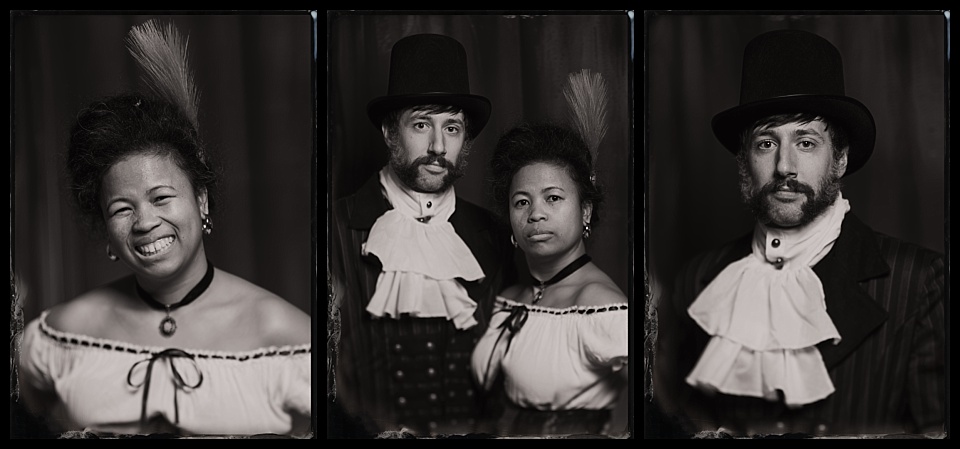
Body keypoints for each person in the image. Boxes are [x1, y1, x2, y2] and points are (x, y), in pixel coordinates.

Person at [16, 21, 311, 436]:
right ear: (105, 229)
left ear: (201, 200)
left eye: (161, 197)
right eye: (121, 208)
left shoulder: (290, 339)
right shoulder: (57, 338)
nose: (145, 223)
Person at [653, 29, 945, 436]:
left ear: (840, 159)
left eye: (806, 142)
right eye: (766, 143)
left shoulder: (918, 281)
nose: (784, 167)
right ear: (744, 163)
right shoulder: (697, 281)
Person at [328, 33, 515, 437]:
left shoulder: (497, 238)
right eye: (420, 124)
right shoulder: (334, 228)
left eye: (451, 127)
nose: (437, 146)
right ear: (390, 133)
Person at [470, 122, 629, 436]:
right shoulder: (513, 296)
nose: (535, 214)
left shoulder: (600, 304)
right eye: (522, 202)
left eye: (553, 198)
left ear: (585, 211)